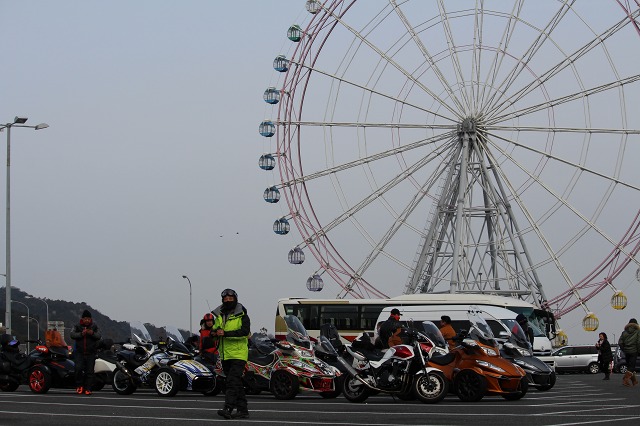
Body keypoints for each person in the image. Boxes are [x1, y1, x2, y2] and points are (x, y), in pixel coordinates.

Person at [213, 289, 251, 419]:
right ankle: (243, 410)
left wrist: (225, 334)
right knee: (236, 383)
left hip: (239, 354)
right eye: (226, 299)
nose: (228, 301)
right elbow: (214, 330)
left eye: (230, 299)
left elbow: (244, 332)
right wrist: (215, 332)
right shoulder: (219, 315)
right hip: (225, 354)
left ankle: (228, 408)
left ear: (235, 299)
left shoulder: (243, 316)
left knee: (232, 381)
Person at [69, 309, 102, 395]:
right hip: (79, 352)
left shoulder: (94, 326)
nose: (87, 320)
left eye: (88, 319)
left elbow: (99, 335)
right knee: (78, 369)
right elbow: (72, 334)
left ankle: (88, 388)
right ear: (82, 319)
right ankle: (79, 386)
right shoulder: (77, 326)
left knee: (90, 372)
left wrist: (92, 333)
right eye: (85, 319)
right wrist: (81, 334)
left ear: (91, 319)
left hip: (91, 352)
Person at [618, 318, 640, 387]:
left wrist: (623, 349)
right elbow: (638, 342)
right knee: (632, 367)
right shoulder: (638, 331)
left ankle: (634, 380)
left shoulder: (624, 332)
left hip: (626, 351)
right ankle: (625, 379)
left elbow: (620, 342)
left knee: (629, 366)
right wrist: (639, 350)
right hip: (634, 351)